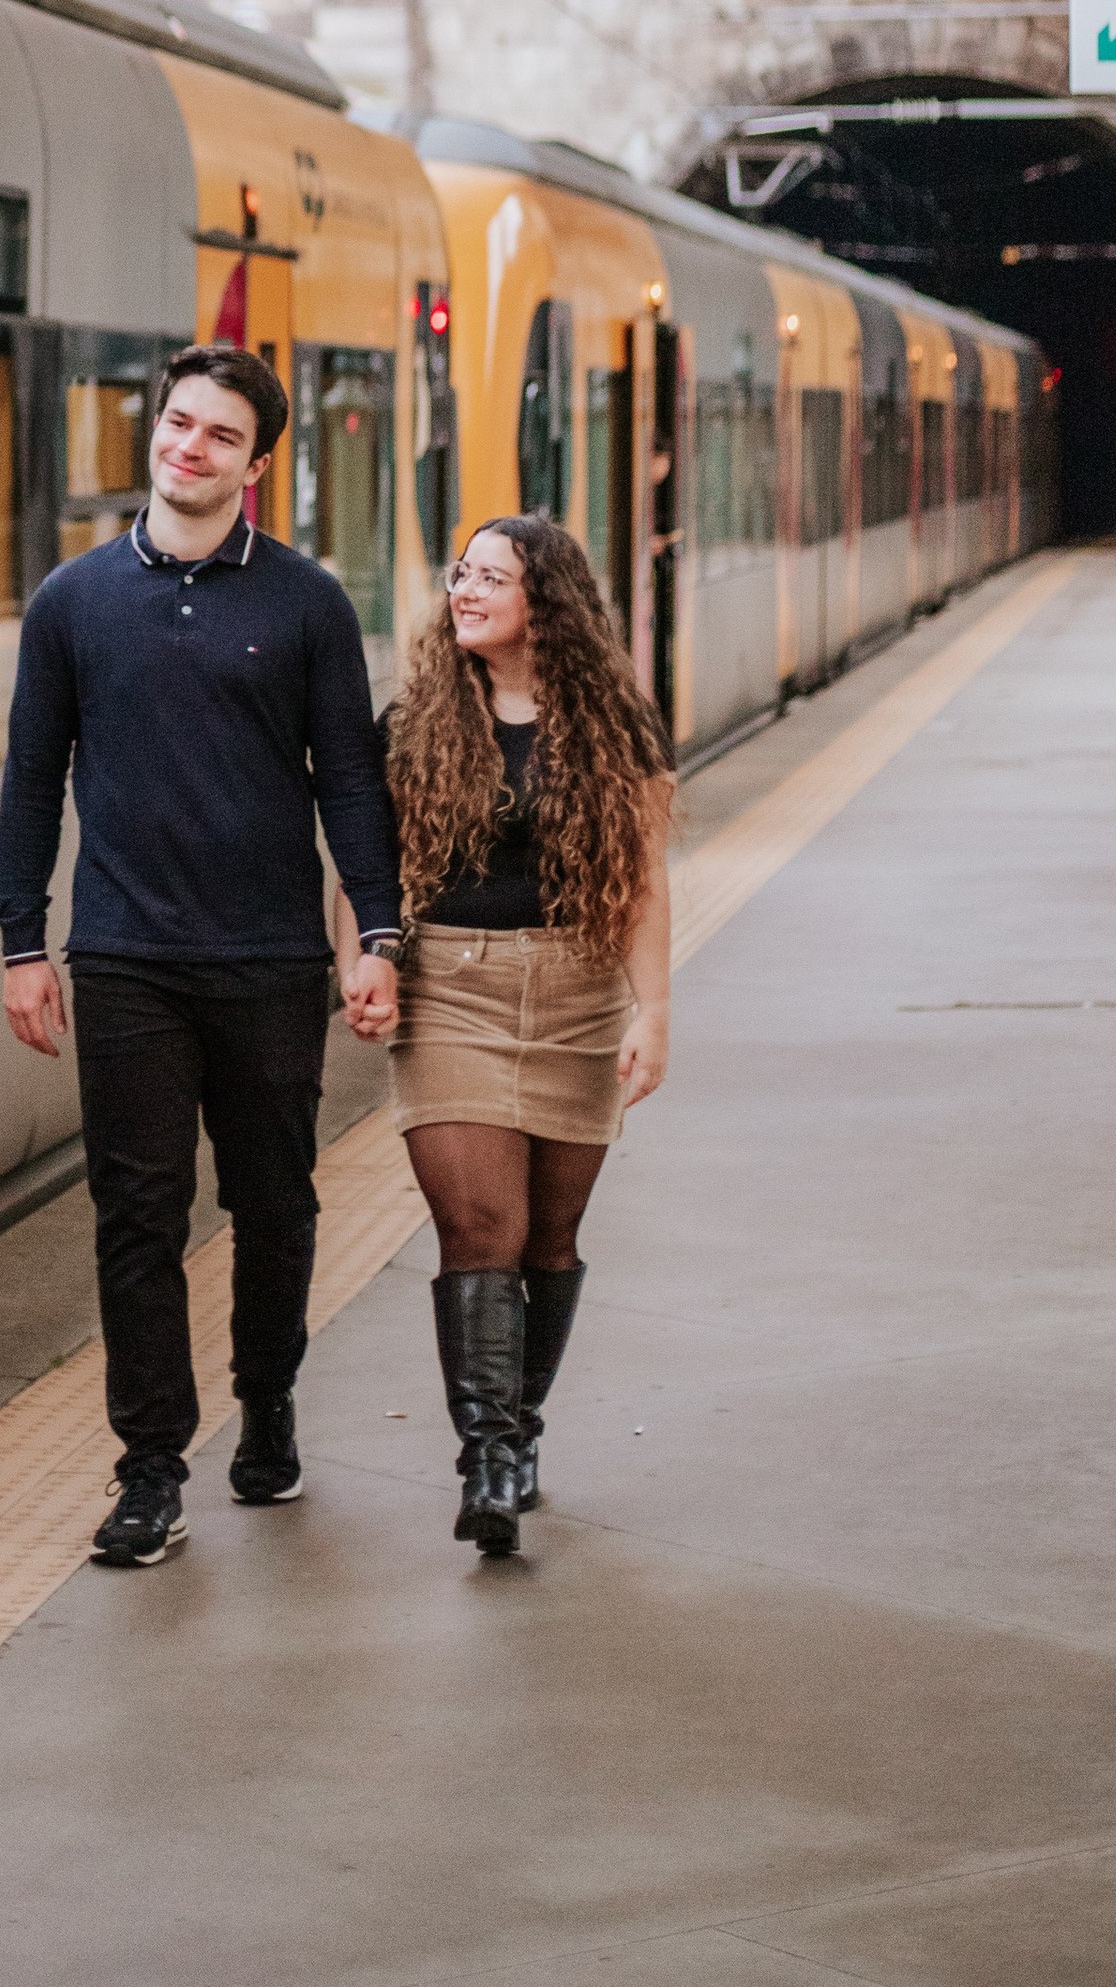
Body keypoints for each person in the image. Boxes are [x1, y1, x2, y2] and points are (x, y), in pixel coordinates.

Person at [0, 341, 404, 1568]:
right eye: (178, 424)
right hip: (124, 955)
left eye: (219, 435)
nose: (189, 447)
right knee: (137, 1215)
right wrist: (24, 941)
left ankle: (267, 1402)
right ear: (154, 432)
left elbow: (348, 781)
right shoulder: (71, 602)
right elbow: (30, 781)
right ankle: (150, 1466)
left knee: (275, 1203)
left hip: (271, 955)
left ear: (256, 465)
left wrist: (371, 934)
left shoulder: (305, 603)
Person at [385, 510, 673, 1557]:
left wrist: (654, 1014)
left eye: (490, 577)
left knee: (547, 1240)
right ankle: (488, 1458)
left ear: (543, 602)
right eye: (460, 574)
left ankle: (521, 1429)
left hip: (577, 993)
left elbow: (640, 881)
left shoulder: (617, 725)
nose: (464, 590)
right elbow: (360, 864)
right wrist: (362, 960)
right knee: (481, 1230)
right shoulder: (416, 716)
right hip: (449, 990)